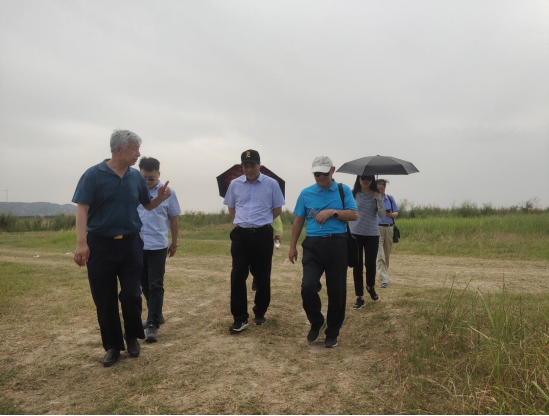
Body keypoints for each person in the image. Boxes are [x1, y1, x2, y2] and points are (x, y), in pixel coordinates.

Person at [73, 130, 172, 368]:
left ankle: (132, 336)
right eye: (135, 149)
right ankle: (112, 346)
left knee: (131, 294)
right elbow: (82, 209)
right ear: (119, 149)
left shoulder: (136, 177)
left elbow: (147, 205)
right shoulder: (93, 175)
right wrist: (81, 242)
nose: (138, 154)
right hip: (100, 245)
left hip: (130, 244)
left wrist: (160, 198)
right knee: (104, 298)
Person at [289, 156, 358, 348]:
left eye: (324, 173)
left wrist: (332, 212)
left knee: (337, 291)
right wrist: (292, 246)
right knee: (308, 286)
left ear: (332, 170)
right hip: (312, 245)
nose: (320, 177)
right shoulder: (306, 193)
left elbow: (354, 214)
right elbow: (298, 221)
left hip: (337, 244)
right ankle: (317, 321)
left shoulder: (343, 190)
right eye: (316, 173)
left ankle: (332, 332)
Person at [224, 150, 286, 333]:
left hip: (262, 234)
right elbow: (231, 207)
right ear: (242, 166)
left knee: (262, 275)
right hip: (241, 234)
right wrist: (243, 221)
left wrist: (262, 220)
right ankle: (239, 318)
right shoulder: (235, 184)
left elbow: (277, 209)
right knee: (237, 275)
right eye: (246, 165)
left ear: (259, 165)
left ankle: (260, 311)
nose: (249, 169)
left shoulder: (271, 184)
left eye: (252, 165)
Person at [137, 157, 182, 343]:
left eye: (151, 178)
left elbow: (174, 219)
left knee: (156, 284)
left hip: (157, 246)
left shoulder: (168, 193)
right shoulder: (135, 191)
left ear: (159, 175)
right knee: (144, 284)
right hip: (137, 245)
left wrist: (174, 243)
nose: (148, 181)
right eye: (144, 178)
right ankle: (156, 313)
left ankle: (152, 324)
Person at [349, 175, 386, 310]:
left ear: (372, 180)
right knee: (357, 266)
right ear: (358, 179)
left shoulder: (377, 195)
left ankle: (370, 286)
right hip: (355, 233)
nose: (365, 180)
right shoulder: (353, 194)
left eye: (369, 178)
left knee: (370, 264)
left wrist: (379, 199)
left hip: (372, 234)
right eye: (363, 178)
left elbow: (382, 215)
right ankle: (359, 297)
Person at [376, 179, 399, 288]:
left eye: (382, 188)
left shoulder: (390, 198)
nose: (380, 191)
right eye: (378, 189)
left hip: (389, 227)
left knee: (386, 253)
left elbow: (396, 212)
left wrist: (391, 214)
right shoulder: (373, 199)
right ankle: (384, 279)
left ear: (385, 188)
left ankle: (384, 273)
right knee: (379, 253)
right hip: (377, 227)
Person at [252, 216, 284, 292]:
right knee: (258, 262)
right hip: (261, 234)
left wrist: (277, 238)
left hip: (265, 235)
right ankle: (256, 278)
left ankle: (256, 279)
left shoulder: (275, 214)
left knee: (260, 262)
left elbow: (277, 225)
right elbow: (277, 225)